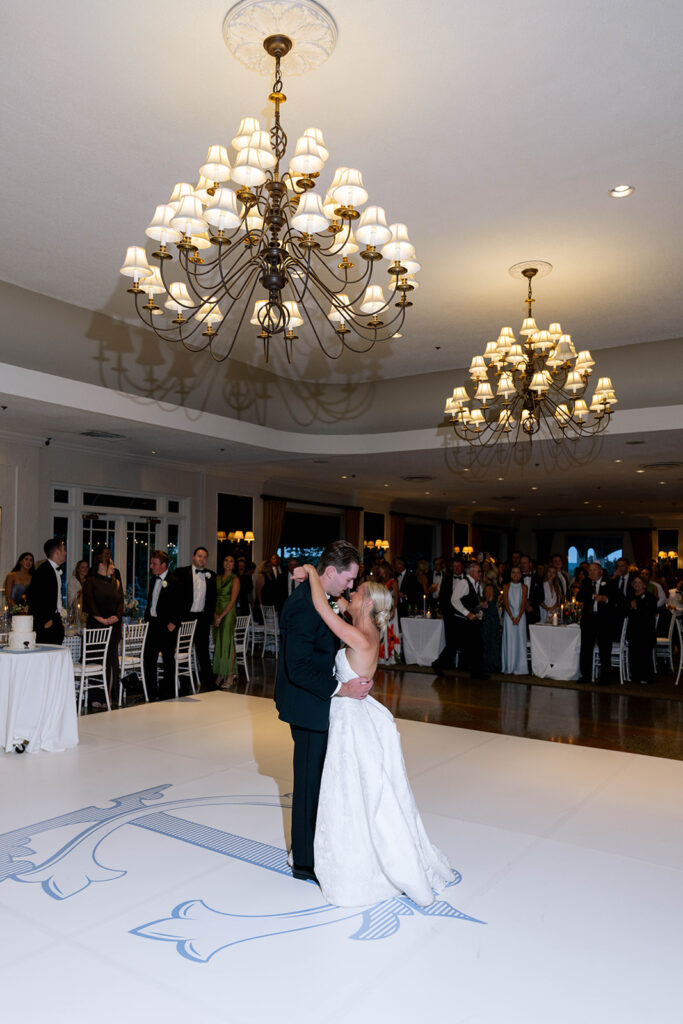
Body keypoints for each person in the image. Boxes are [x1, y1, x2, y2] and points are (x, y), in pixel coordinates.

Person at [294, 561, 453, 907]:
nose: (351, 592)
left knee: (352, 794)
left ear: (366, 603)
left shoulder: (361, 636)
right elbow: (334, 607)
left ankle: (355, 863)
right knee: (352, 793)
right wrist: (337, 598)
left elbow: (322, 607)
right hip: (349, 715)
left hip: (350, 722)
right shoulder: (365, 630)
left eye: (357, 591)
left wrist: (310, 570)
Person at [274, 541, 371, 883]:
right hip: (307, 705)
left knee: (319, 784)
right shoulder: (303, 606)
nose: (351, 586)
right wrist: (341, 689)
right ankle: (304, 862)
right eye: (349, 579)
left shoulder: (321, 598)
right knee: (308, 787)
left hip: (318, 704)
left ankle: (315, 851)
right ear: (331, 572)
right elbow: (298, 667)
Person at [82, 557, 124, 707]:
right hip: (96, 625)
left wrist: (116, 617)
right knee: (95, 659)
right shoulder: (91, 581)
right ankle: (95, 697)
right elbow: (89, 602)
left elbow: (121, 602)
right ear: (101, 565)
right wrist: (101, 619)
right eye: (110, 564)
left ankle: (108, 695)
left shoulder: (116, 582)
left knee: (111, 662)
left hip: (113, 627)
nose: (113, 567)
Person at [175, 547, 217, 690]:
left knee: (203, 651)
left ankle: (209, 684)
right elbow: (175, 597)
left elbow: (212, 600)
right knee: (183, 650)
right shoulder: (181, 572)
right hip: (185, 618)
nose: (202, 559)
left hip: (202, 618)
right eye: (199, 556)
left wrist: (209, 617)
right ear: (193, 557)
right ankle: (184, 683)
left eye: (205, 557)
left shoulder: (211, 575)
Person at [143, 550, 181, 700]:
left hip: (167, 627)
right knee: (149, 660)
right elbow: (151, 602)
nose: (151, 566)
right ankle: (151, 693)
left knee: (168, 660)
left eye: (154, 564)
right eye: (151, 563)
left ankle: (168, 692)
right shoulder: (154, 580)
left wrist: (174, 623)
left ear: (164, 565)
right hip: (153, 625)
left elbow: (182, 604)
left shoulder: (175, 581)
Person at [451, 561, 488, 678]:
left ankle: (476, 672)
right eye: (478, 571)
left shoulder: (476, 584)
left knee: (476, 645)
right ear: (471, 572)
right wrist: (467, 614)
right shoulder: (464, 583)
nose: (480, 574)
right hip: (462, 620)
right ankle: (438, 664)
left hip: (471, 621)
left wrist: (480, 606)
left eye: (480, 571)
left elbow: (472, 602)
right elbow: (454, 600)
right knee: (453, 646)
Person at [578, 562, 612, 684]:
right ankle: (585, 676)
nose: (591, 572)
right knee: (586, 648)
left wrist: (605, 598)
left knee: (604, 649)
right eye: (589, 570)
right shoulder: (586, 582)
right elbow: (579, 597)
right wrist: (592, 596)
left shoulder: (609, 582)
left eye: (594, 570)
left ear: (600, 571)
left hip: (604, 621)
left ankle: (605, 677)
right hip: (588, 620)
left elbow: (618, 599)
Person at [27, 538, 66, 644]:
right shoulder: (43, 571)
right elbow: (35, 597)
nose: (65, 553)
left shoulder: (53, 570)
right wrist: (45, 620)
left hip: (55, 619)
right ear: (57, 553)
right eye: (64, 550)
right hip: (47, 622)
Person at [213, 554, 240, 688]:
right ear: (222, 563)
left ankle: (230, 674)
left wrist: (221, 616)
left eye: (231, 561)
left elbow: (233, 600)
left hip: (228, 613)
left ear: (233, 565)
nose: (228, 563)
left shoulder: (235, 579)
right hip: (217, 612)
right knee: (218, 643)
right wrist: (215, 615)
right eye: (226, 560)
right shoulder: (217, 578)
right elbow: (212, 598)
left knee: (228, 643)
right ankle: (220, 672)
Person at [626, 575, 657, 684]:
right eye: (635, 582)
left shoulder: (650, 597)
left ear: (644, 584)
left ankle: (646, 676)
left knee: (644, 654)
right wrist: (631, 607)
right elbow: (625, 612)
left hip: (646, 631)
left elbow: (649, 613)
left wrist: (636, 608)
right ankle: (635, 676)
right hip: (633, 630)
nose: (637, 584)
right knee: (633, 653)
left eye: (639, 582)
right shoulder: (630, 597)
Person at [502, 567, 528, 674]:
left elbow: (523, 603)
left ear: (521, 575)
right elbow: (505, 603)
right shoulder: (506, 586)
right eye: (513, 572)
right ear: (510, 574)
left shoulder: (524, 587)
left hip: (521, 617)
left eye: (518, 572)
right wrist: (512, 617)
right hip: (509, 617)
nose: (516, 574)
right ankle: (509, 666)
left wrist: (518, 617)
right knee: (510, 639)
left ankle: (520, 668)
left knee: (520, 640)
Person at [376, 561, 401, 664]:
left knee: (390, 632)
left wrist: (393, 610)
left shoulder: (393, 581)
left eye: (380, 569)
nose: (379, 571)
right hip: (380, 610)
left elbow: (395, 597)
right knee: (381, 633)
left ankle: (391, 656)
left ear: (385, 569)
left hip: (390, 609)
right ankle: (382, 656)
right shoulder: (379, 582)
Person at [481, 568, 501, 674]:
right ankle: (495, 664)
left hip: (489, 616)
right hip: (494, 615)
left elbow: (486, 604)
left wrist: (479, 604)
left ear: (487, 577)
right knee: (494, 639)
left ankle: (489, 665)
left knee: (488, 640)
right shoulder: (495, 587)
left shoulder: (488, 587)